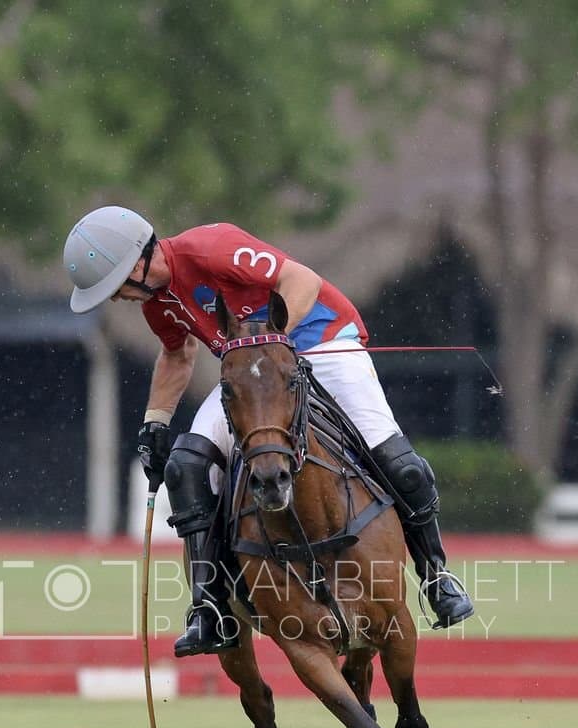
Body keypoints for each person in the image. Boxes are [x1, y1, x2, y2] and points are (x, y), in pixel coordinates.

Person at [63, 205, 474, 657]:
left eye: (114, 286)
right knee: (186, 466)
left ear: (136, 262)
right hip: (254, 377)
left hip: (323, 341)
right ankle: (210, 607)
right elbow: (177, 357)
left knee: (400, 464)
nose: (116, 297)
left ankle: (436, 574)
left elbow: (302, 282)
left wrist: (273, 341)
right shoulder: (158, 304)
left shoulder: (210, 246)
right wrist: (154, 423)